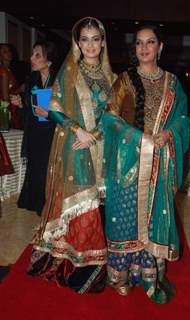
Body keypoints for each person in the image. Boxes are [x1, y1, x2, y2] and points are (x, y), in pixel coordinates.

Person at [27, 17, 116, 294]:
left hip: (99, 146)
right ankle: (82, 265)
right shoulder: (70, 72)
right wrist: (78, 130)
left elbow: (112, 115)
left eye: (95, 39)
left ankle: (80, 257)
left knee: (94, 204)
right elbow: (52, 107)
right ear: (78, 43)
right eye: (85, 39)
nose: (90, 44)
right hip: (74, 145)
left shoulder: (109, 77)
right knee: (82, 202)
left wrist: (97, 135)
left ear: (102, 42)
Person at [102, 23, 190, 303]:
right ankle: (120, 275)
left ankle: (149, 272)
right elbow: (110, 118)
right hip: (127, 162)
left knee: (152, 218)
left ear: (160, 47)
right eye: (139, 43)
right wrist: (138, 138)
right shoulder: (124, 80)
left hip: (158, 163)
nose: (144, 48)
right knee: (125, 217)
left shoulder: (173, 83)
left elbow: (182, 119)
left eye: (150, 42)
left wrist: (168, 133)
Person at [10, 40, 58, 215]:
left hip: (54, 131)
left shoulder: (59, 81)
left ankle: (48, 203)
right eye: (32, 54)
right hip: (36, 131)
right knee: (36, 166)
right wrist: (21, 104)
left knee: (49, 168)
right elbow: (30, 110)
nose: (31, 58)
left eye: (37, 55)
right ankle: (35, 201)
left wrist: (50, 113)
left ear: (49, 61)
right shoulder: (32, 79)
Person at [0, 43, 23, 129]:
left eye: (9, 50)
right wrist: (20, 89)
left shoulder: (8, 70)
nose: (9, 53)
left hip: (11, 106)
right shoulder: (4, 72)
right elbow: (5, 97)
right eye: (5, 52)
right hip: (7, 108)